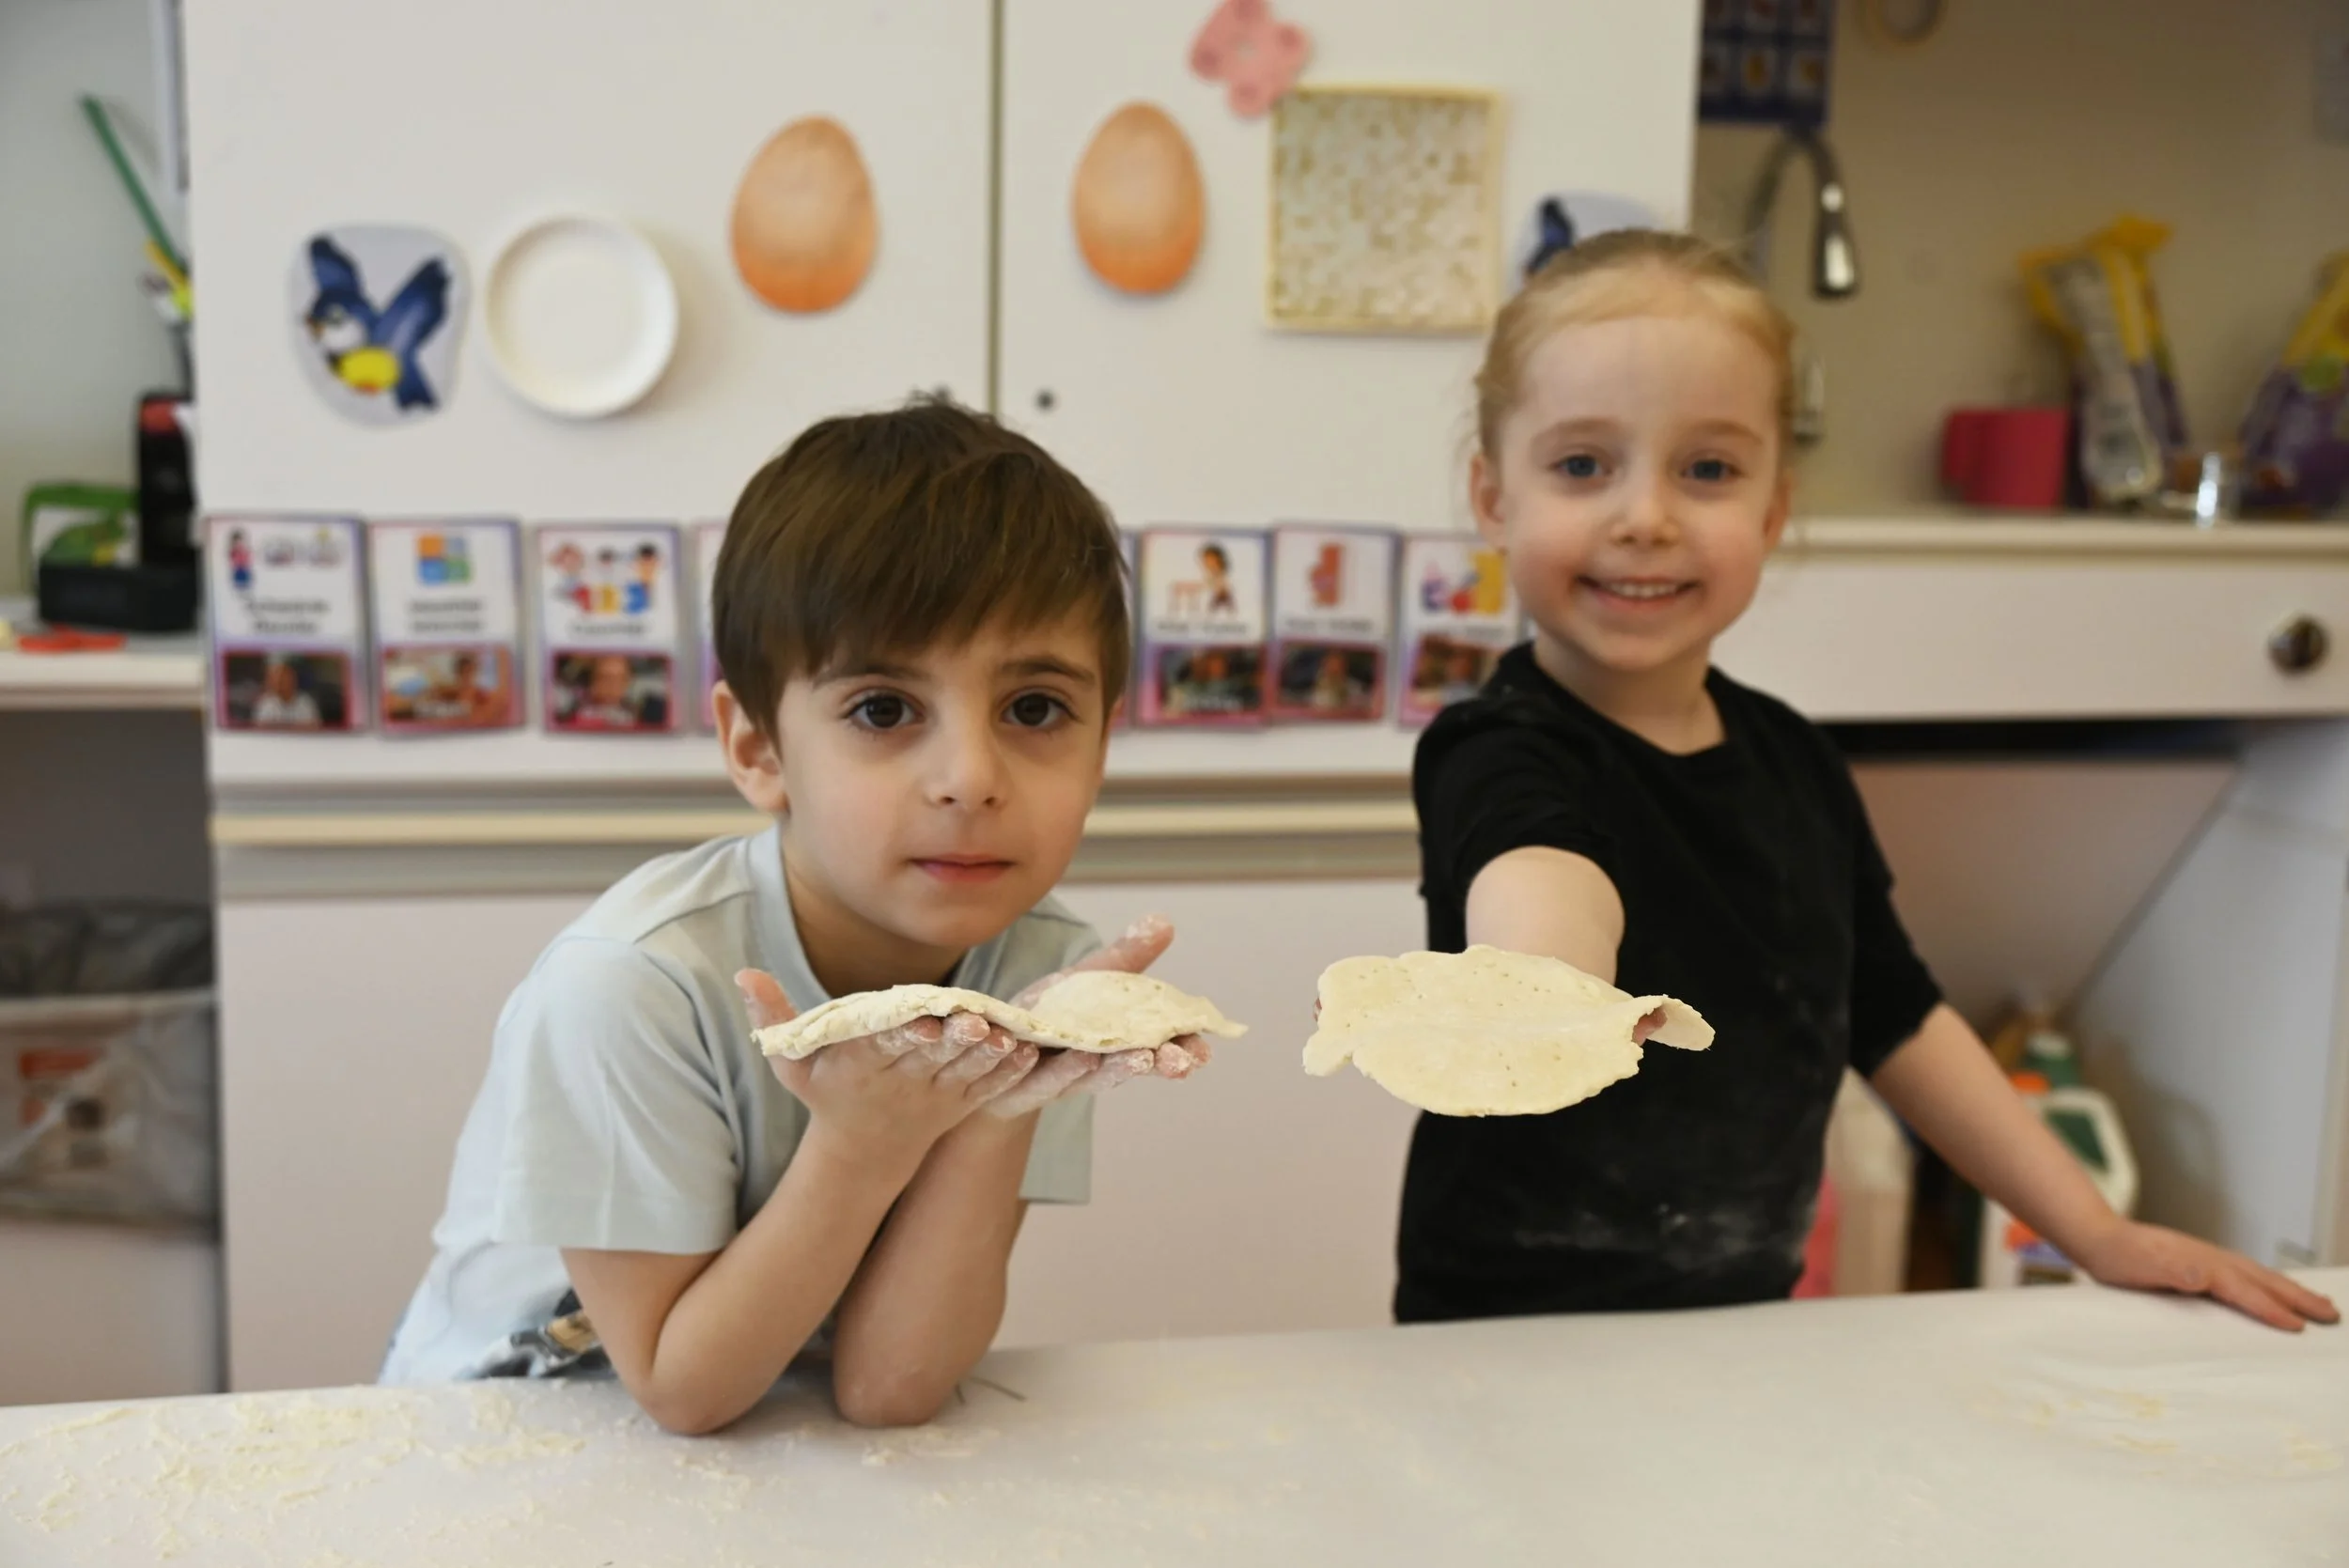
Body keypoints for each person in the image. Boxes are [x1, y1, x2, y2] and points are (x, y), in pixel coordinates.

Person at [1404, 229, 2337, 1333]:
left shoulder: (1796, 759)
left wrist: (2096, 1231)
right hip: (1506, 1331)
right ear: (1492, 498)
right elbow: (1543, 878)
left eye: (1707, 470)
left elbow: (1893, 1017)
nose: (1644, 516)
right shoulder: (1497, 748)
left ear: (1772, 510)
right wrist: (1550, 986)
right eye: (1580, 465)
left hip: (1740, 1319)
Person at [381, 398, 1207, 1434]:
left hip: (777, 1435)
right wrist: (860, 1142)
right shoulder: (635, 982)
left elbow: (891, 1386)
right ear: (757, 747)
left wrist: (1002, 1103)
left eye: (1034, 708)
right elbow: (681, 1389)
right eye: (883, 709)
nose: (970, 776)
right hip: (510, 1433)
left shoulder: (1045, 979)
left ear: (1102, 741)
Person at [250, 657, 321, 728]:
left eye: (283, 677)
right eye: (275, 678)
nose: (278, 681)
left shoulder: (306, 703)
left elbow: (314, 730)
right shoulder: (264, 704)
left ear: (293, 678)